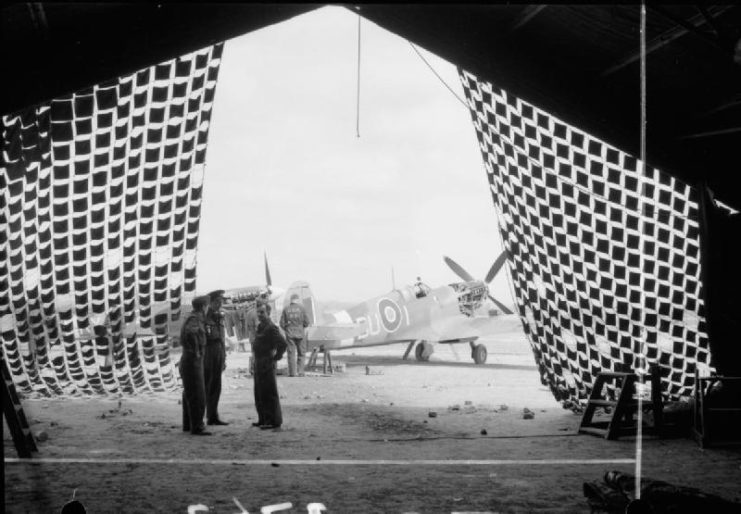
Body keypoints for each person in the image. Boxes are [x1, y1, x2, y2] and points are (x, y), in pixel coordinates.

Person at [178, 295, 211, 436]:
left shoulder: (191, 317)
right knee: (198, 394)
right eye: (207, 305)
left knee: (189, 393)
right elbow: (190, 333)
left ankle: (188, 424)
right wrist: (196, 350)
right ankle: (197, 426)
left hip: (188, 359)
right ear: (204, 306)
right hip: (192, 361)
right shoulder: (195, 318)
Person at [252, 303, 287, 430]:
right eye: (258, 312)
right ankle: (263, 419)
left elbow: (283, 343)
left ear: (268, 313)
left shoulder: (271, 328)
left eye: (262, 312)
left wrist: (276, 357)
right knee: (259, 392)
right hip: (259, 362)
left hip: (267, 362)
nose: (260, 315)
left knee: (269, 392)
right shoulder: (261, 327)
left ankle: (273, 421)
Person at [203, 289, 228, 426]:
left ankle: (213, 416)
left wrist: (223, 358)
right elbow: (206, 338)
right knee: (206, 386)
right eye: (218, 301)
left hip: (218, 354)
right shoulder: (206, 317)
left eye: (221, 301)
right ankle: (202, 417)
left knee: (216, 386)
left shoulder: (219, 317)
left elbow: (222, 340)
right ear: (211, 302)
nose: (220, 304)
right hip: (208, 355)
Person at [279, 294, 311, 377]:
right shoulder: (302, 308)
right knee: (301, 353)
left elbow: (281, 324)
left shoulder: (286, 309)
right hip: (300, 333)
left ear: (291, 300)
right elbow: (307, 322)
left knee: (291, 353)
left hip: (289, 334)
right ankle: (300, 372)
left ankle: (292, 373)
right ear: (297, 299)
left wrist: (287, 328)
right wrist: (300, 326)